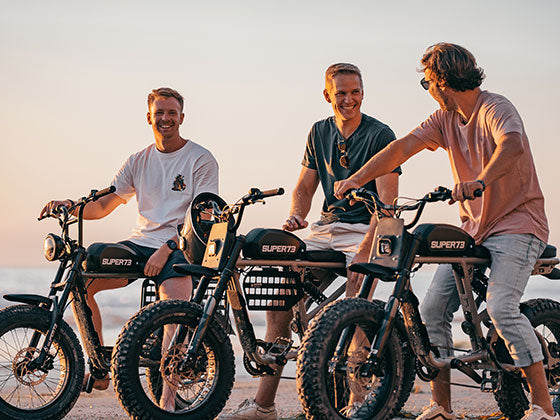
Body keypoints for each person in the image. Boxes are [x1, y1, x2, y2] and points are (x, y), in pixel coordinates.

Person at [334, 43, 555, 420]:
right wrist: (355, 178)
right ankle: (442, 406)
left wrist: (481, 181)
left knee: (501, 307)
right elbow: (401, 148)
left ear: (441, 81)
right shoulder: (443, 119)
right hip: (475, 229)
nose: (428, 90)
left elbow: (513, 144)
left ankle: (544, 407)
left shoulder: (495, 108)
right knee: (433, 309)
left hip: (519, 224)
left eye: (427, 83)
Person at [219, 63, 400, 419]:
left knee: (355, 304)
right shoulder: (319, 131)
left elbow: (388, 204)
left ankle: (358, 401)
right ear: (327, 95)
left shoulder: (381, 135)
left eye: (355, 92)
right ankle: (264, 406)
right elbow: (304, 187)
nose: (349, 99)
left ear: (363, 92)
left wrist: (367, 246)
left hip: (367, 229)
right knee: (279, 302)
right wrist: (296, 216)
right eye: (341, 93)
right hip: (325, 229)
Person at [39, 87, 219, 409]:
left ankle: (168, 399)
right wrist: (71, 206)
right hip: (139, 243)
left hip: (179, 247)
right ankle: (99, 368)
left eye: (172, 113)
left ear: (182, 117)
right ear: (149, 117)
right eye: (159, 113)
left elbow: (202, 217)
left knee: (174, 309)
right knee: (84, 281)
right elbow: (105, 203)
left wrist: (167, 247)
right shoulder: (138, 160)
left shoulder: (200, 159)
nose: (165, 118)